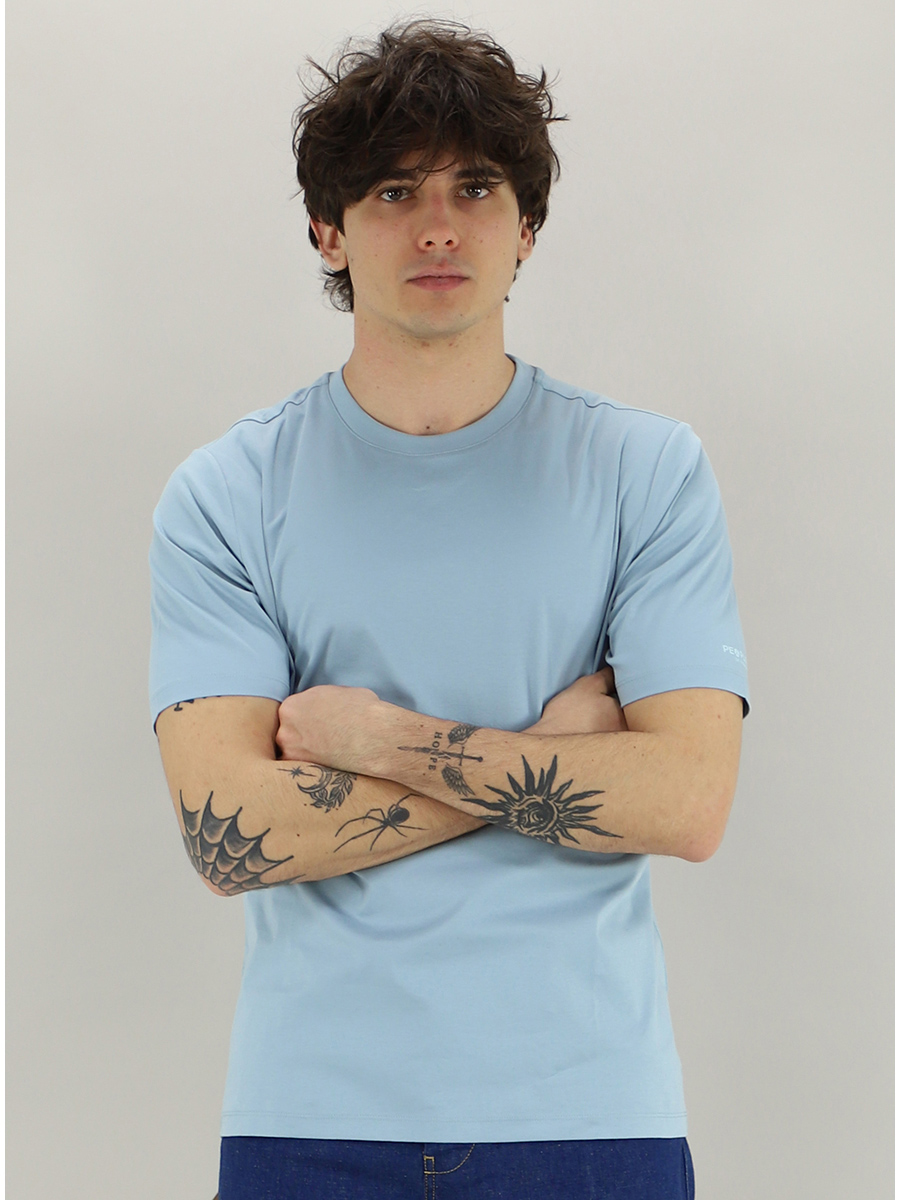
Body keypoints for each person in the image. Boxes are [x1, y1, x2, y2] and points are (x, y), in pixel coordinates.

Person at [149, 17, 749, 1200]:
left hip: (589, 1109)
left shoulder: (645, 471)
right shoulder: (227, 492)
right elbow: (227, 837)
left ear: (526, 227)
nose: (437, 225)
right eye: (392, 190)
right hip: (310, 1112)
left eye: (475, 187)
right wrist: (554, 757)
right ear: (328, 230)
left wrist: (381, 741)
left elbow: (688, 802)